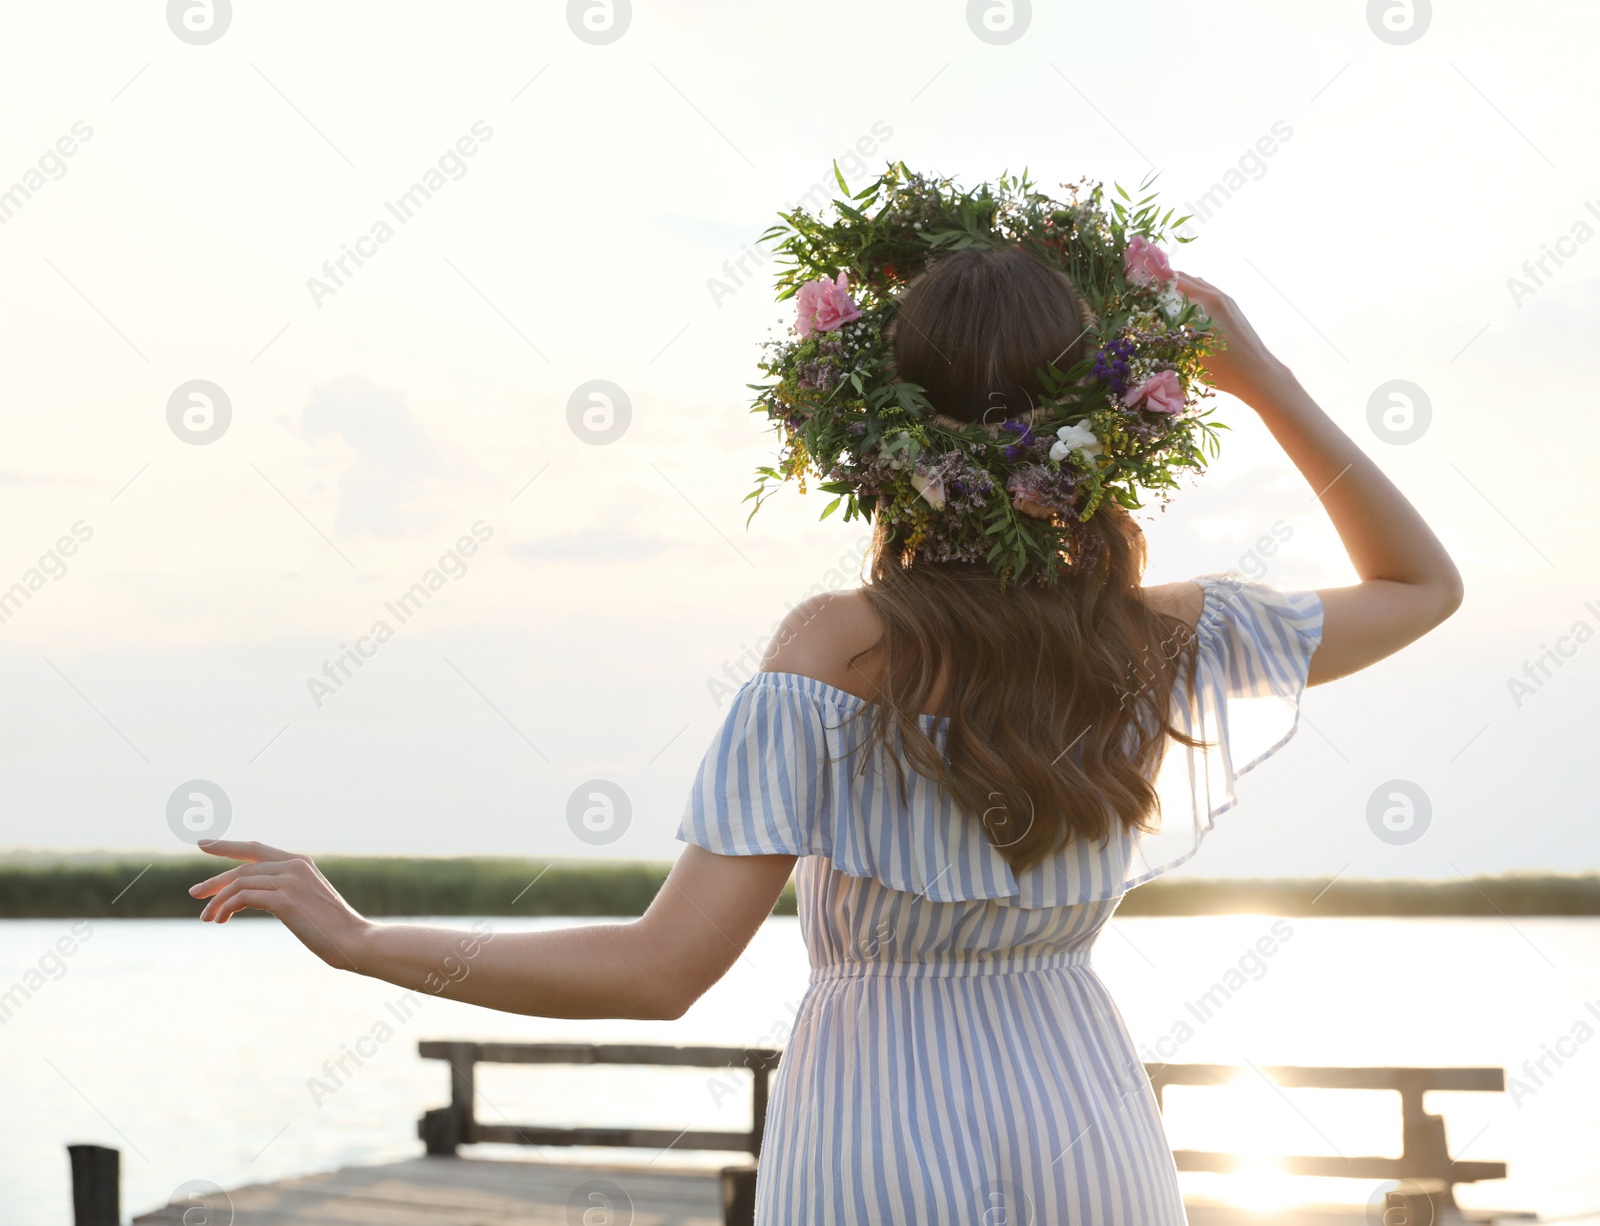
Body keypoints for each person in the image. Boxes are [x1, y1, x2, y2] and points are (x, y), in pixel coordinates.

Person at [190, 249, 1461, 1225]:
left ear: (875, 432)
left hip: (871, 1116)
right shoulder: (1162, 634)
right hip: (1084, 1115)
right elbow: (1422, 585)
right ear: (1108, 426)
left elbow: (657, 970)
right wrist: (1262, 378)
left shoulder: (828, 652)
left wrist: (362, 940)